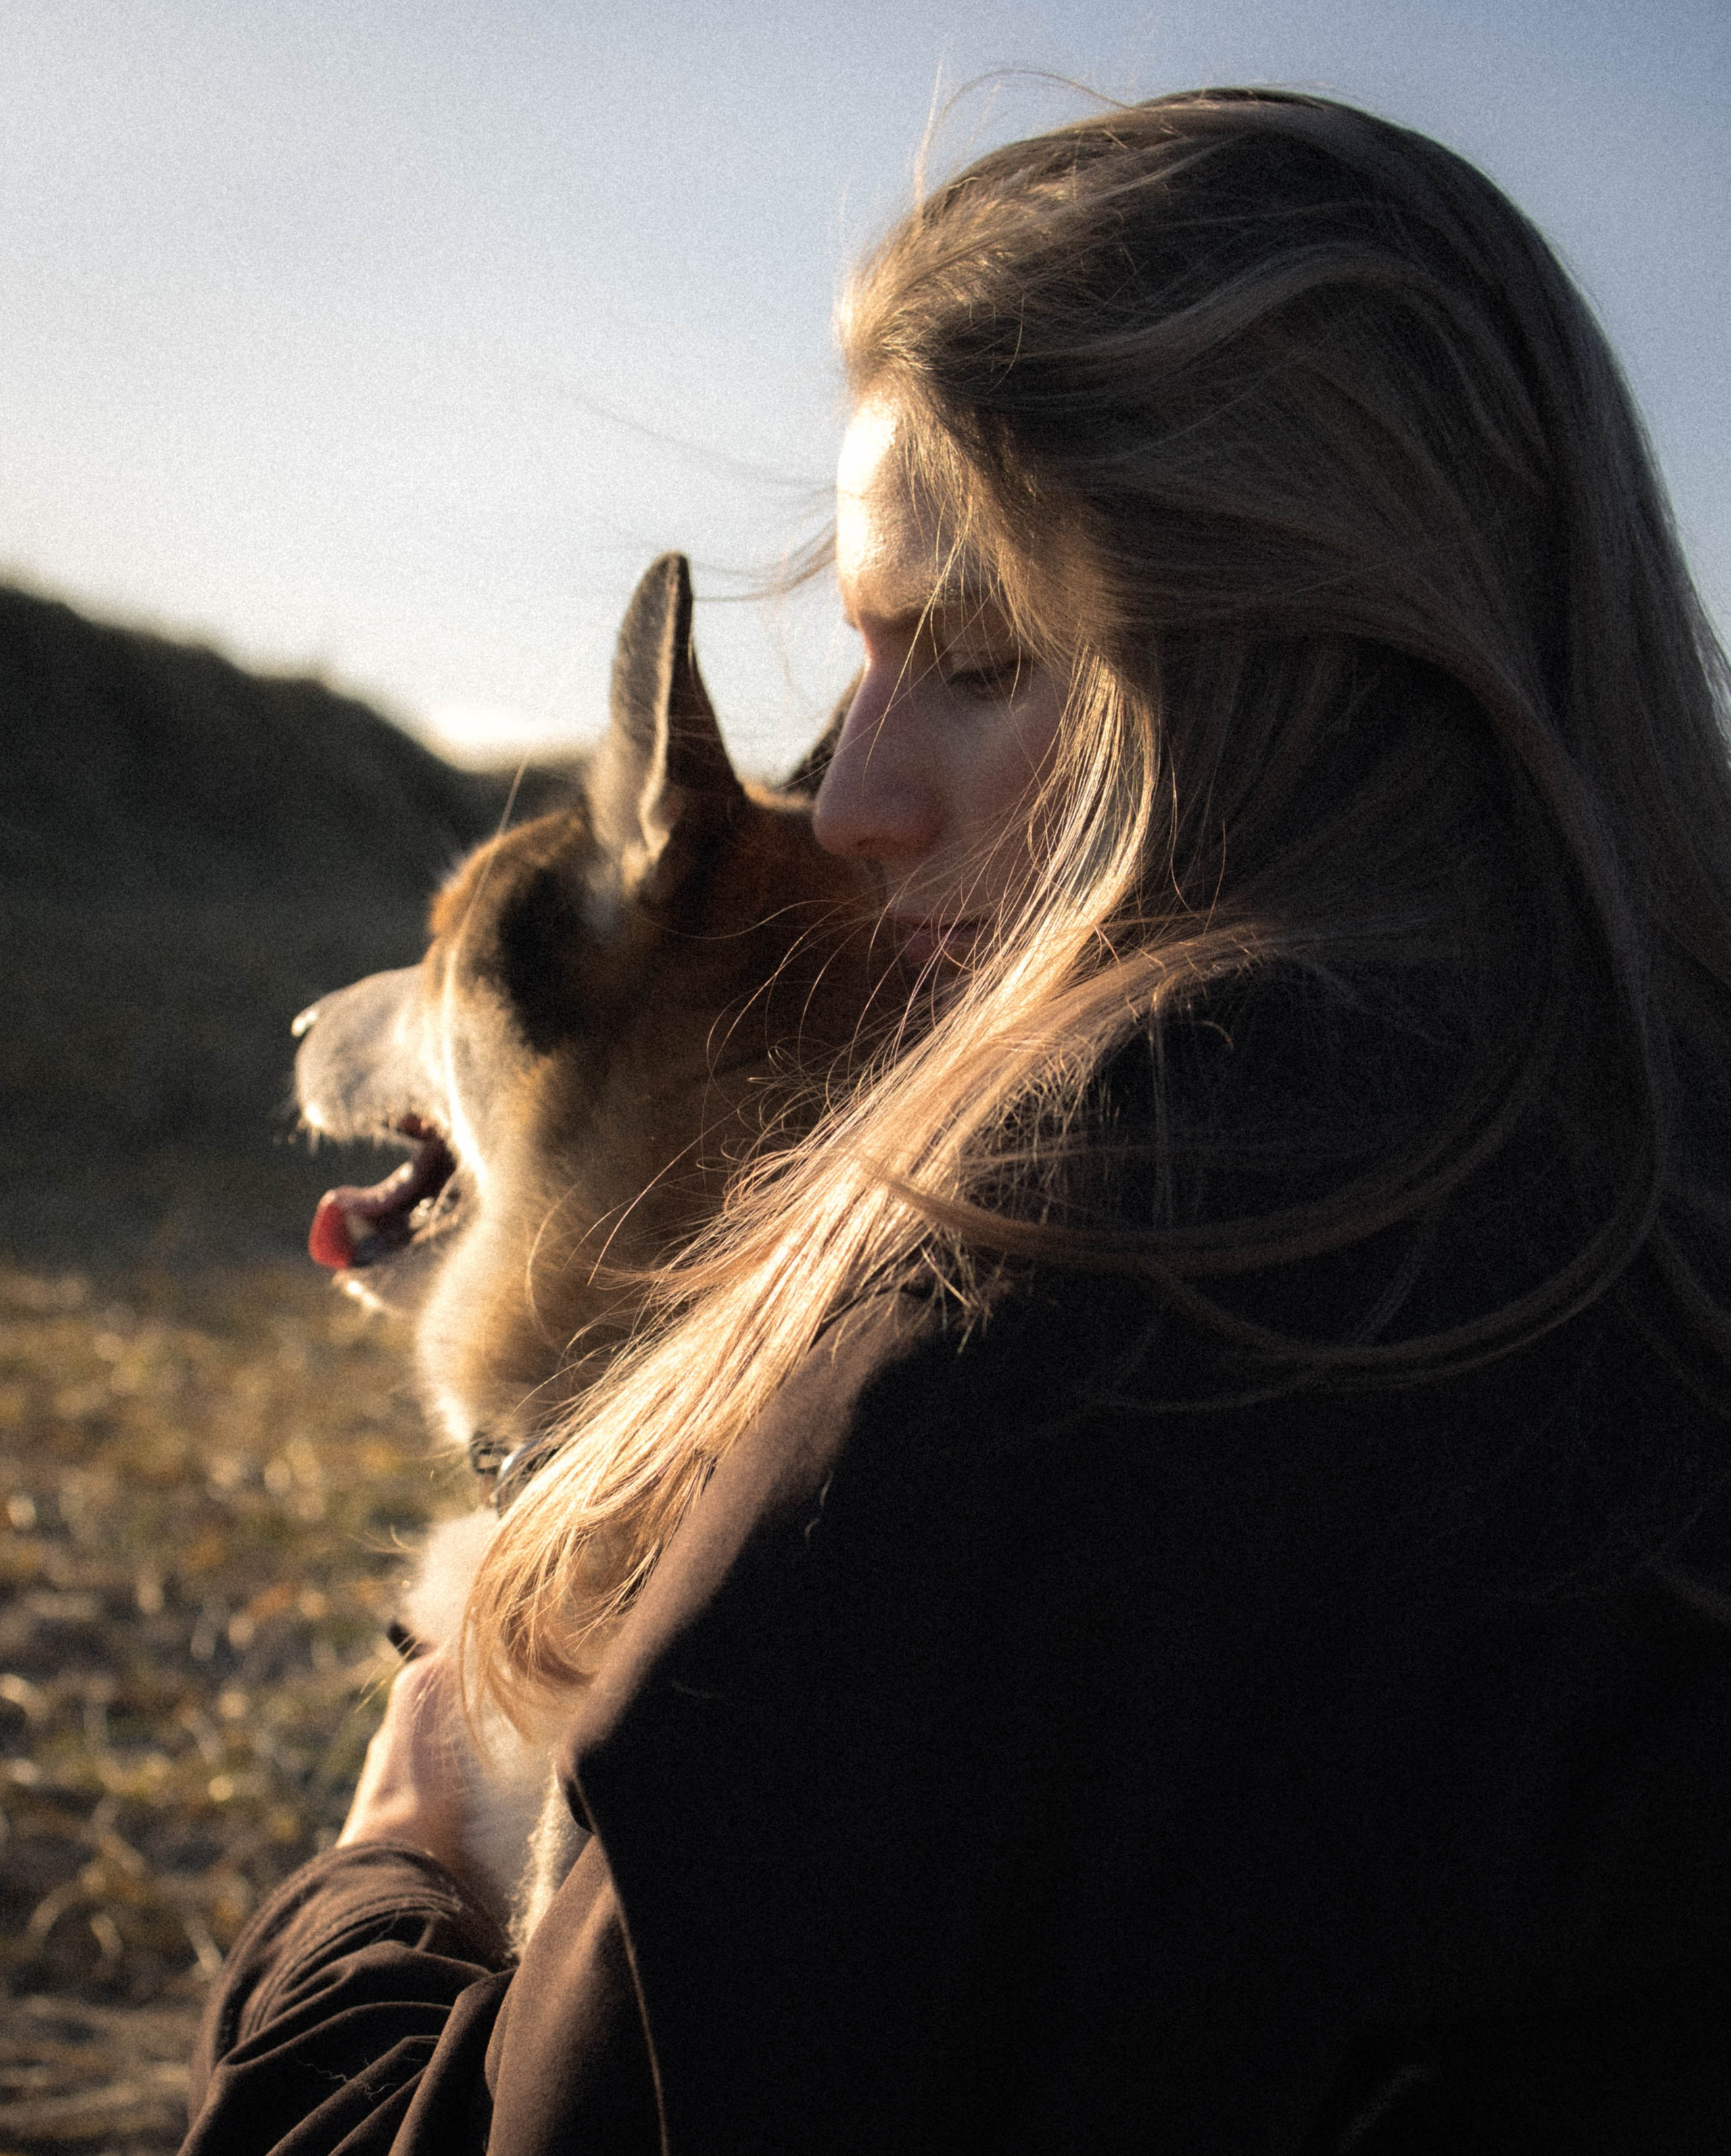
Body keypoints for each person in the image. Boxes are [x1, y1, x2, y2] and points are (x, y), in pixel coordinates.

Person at [182, 89, 1731, 2155]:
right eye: (865, 664)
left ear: (1306, 661)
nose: (847, 805)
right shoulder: (1648, 1202)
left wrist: (388, 1872)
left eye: (983, 652)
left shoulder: (1072, 1312)